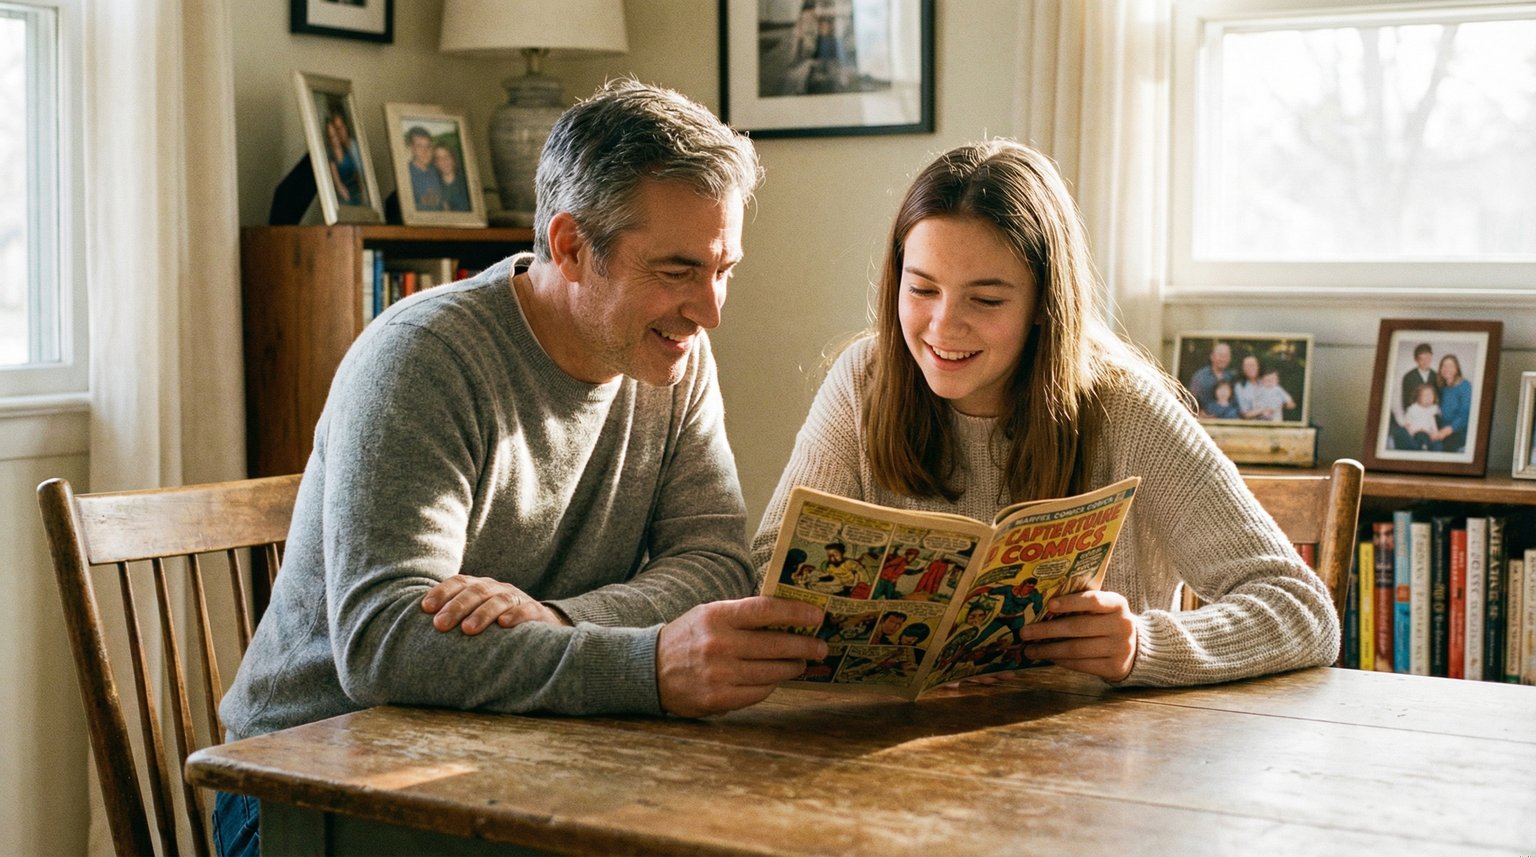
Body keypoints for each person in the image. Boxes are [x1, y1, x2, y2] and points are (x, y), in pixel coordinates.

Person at [214, 79, 825, 857]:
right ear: (570, 247)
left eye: (724, 268)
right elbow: (387, 642)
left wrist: (559, 618)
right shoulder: (421, 360)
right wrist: (647, 664)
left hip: (516, 757)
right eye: (677, 271)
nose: (709, 310)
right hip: (303, 790)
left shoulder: (675, 355)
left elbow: (712, 565)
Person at [750, 140, 1338, 689]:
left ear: (1042, 306)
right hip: (882, 752)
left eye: (987, 299)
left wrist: (1143, 644)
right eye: (922, 289)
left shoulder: (1123, 405)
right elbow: (765, 573)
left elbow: (1303, 610)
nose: (943, 326)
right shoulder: (864, 379)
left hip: (1090, 763)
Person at [324, 105, 364, 206]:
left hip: (358, 193)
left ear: (346, 126)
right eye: (332, 136)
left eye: (339, 128)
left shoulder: (351, 149)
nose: (337, 136)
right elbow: (338, 184)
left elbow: (359, 175)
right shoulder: (331, 156)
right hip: (345, 197)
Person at [1432, 354, 1471, 453]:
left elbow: (1465, 415)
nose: (1446, 369)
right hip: (1442, 427)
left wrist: (1445, 432)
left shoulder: (1465, 386)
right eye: (1444, 366)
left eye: (1450, 366)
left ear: (1456, 369)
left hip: (1458, 430)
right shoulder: (1442, 387)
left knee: (1444, 449)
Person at [404, 125, 444, 211]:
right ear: (411, 148)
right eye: (419, 146)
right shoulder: (405, 174)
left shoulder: (437, 171)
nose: (425, 151)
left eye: (428, 146)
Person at [1186, 341, 1233, 414]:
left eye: (1226, 356)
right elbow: (1190, 400)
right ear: (1212, 357)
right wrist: (1200, 413)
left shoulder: (1231, 376)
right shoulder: (1200, 376)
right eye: (1220, 355)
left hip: (1227, 419)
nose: (1223, 359)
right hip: (1205, 420)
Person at [1400, 382, 1442, 450]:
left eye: (1431, 396)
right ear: (1418, 397)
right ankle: (1422, 449)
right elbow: (1406, 424)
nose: (1429, 398)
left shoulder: (1434, 408)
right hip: (1416, 432)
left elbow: (1434, 422)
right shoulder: (1413, 409)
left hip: (1430, 433)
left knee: (1438, 445)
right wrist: (1411, 433)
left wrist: (1435, 433)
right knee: (1420, 438)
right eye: (1425, 395)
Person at [433, 142, 473, 212]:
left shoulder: (467, 183)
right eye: (439, 159)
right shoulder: (434, 186)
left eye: (447, 157)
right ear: (435, 163)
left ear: (453, 159)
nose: (444, 161)